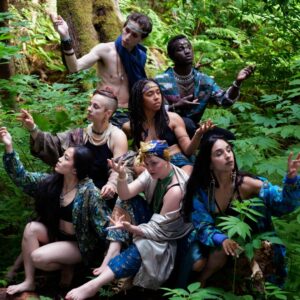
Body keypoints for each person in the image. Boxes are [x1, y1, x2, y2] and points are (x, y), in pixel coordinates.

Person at [64, 140, 193, 300]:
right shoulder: (152, 173)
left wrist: (130, 228)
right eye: (147, 164)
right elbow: (125, 194)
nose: (150, 168)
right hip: (154, 221)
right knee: (125, 200)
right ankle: (113, 250)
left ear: (167, 160)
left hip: (170, 236)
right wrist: (122, 176)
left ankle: (94, 285)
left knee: (145, 245)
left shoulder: (175, 190)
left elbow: (158, 231)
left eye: (154, 163)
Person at [182, 128, 300, 287]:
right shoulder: (203, 191)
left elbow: (283, 205)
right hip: (213, 243)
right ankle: (199, 283)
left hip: (252, 242)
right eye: (219, 153)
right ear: (209, 164)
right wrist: (221, 239)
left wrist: (291, 180)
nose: (228, 155)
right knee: (204, 259)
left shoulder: (247, 184)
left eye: (228, 150)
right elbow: (201, 224)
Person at [0, 127, 111, 295]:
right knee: (31, 228)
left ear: (75, 170)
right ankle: (29, 282)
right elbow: (22, 178)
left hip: (78, 244)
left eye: (65, 158)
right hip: (56, 235)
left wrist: (108, 260)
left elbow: (103, 227)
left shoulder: (90, 193)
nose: (59, 159)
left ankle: (71, 265)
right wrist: (9, 147)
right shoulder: (53, 182)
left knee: (38, 257)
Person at [19, 88, 128, 200]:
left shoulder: (117, 136)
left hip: (102, 195)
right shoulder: (80, 134)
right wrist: (32, 128)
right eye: (90, 104)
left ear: (108, 113)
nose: (89, 109)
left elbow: (119, 168)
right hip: (75, 192)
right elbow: (53, 144)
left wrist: (111, 185)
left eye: (95, 106)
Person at [51, 12, 152, 128]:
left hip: (129, 113)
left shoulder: (140, 57)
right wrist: (65, 37)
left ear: (141, 39)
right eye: (127, 30)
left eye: (134, 35)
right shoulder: (105, 50)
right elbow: (75, 67)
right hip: (103, 111)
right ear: (123, 27)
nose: (127, 37)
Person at [155, 35, 254, 136]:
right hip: (168, 129)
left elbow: (225, 101)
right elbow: (151, 110)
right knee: (187, 124)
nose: (187, 51)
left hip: (194, 130)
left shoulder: (204, 81)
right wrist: (174, 106)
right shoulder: (160, 81)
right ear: (171, 56)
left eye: (189, 47)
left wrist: (237, 82)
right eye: (181, 49)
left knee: (228, 136)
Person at [123, 79, 214, 175]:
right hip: (151, 171)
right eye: (150, 94)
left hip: (178, 164)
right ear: (139, 99)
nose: (156, 97)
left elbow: (188, 151)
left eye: (158, 93)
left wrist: (198, 134)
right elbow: (127, 154)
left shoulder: (173, 119)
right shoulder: (130, 127)